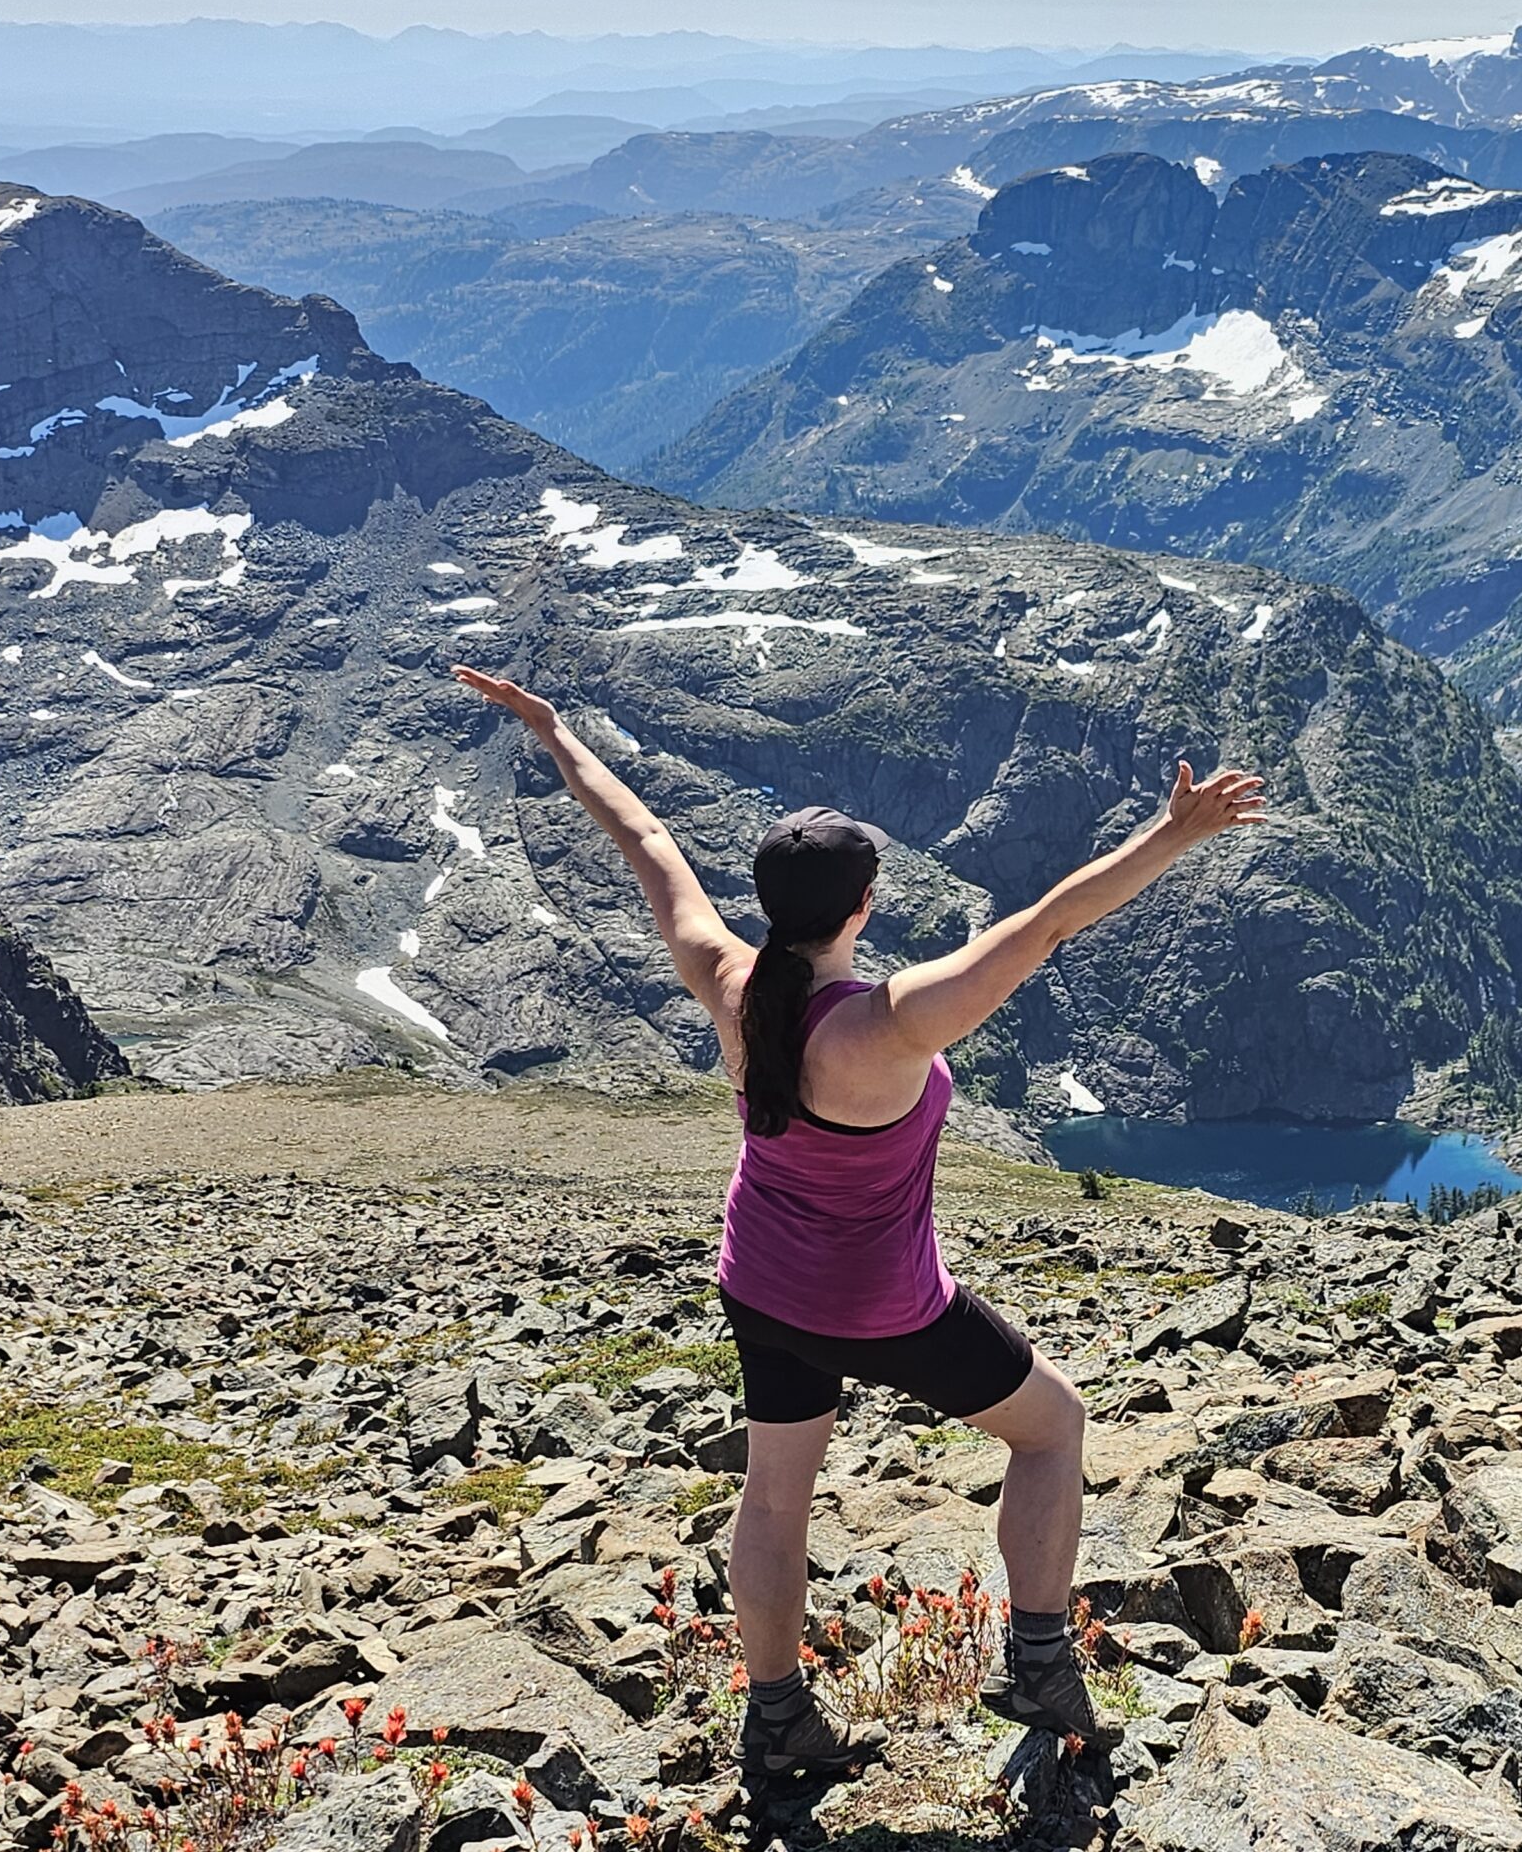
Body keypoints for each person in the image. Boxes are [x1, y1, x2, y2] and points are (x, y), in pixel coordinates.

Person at [453, 663, 1266, 1777]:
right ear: (863, 908)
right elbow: (1047, 923)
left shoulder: (725, 980)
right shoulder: (891, 1022)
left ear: (769, 905)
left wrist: (553, 731)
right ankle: (1035, 1662)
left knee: (776, 1494)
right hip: (885, 1307)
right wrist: (1175, 833)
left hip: (761, 1287)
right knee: (1052, 1426)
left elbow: (644, 839)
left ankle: (779, 1719)